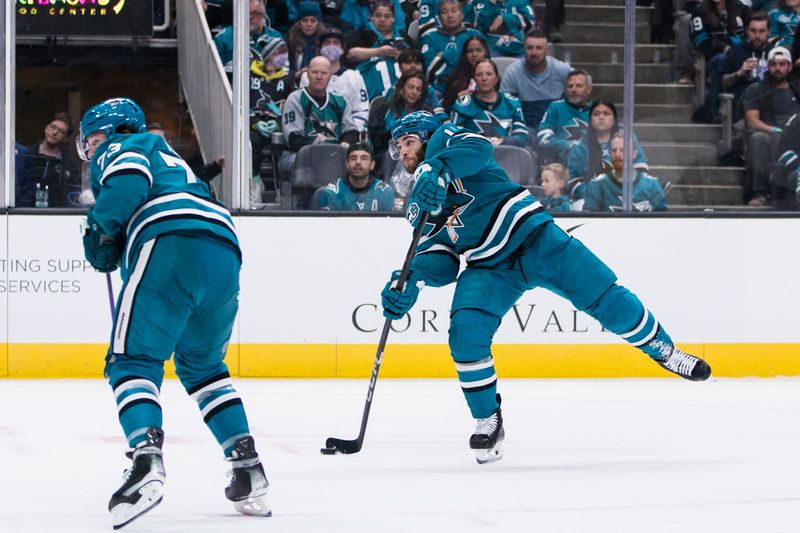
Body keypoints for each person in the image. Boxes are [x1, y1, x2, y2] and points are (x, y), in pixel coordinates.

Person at [380, 111, 711, 465]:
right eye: (398, 147)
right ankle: (487, 419)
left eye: (408, 142)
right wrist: (412, 277)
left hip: (537, 238)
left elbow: (479, 149)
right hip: (489, 266)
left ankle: (664, 351)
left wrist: (438, 167)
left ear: (428, 137)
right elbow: (443, 258)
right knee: (465, 334)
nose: (402, 153)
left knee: (606, 298)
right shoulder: (418, 204)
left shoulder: (448, 138)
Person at [76, 98, 270, 527]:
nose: (89, 149)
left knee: (132, 361)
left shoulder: (125, 144)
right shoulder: (171, 157)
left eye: (89, 138)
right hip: (223, 247)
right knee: (204, 369)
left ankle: (145, 461)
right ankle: (247, 467)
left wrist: (101, 228)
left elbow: (127, 185)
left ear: (106, 131)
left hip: (170, 239)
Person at [279, 56, 360, 179]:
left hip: (335, 157)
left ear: (330, 76)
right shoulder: (295, 98)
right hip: (302, 156)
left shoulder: (340, 101)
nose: (319, 76)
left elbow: (352, 132)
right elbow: (293, 139)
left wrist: (342, 147)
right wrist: (322, 153)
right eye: (314, 72)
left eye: (323, 73)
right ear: (307, 74)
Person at [741, 46, 800, 205]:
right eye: (773, 64)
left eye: (782, 64)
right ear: (768, 66)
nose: (777, 68)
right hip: (771, 133)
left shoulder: (797, 89)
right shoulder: (756, 89)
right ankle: (760, 192)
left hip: (796, 136)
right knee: (758, 139)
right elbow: (752, 120)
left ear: (789, 67)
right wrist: (776, 130)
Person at [688, 0, 750, 122]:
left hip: (741, 56)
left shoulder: (742, 9)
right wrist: (724, 48)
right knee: (721, 60)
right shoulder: (700, 11)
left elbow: (751, 34)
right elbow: (700, 41)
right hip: (712, 59)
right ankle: (714, 109)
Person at [499, 30, 572, 130]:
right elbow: (505, 109)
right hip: (526, 127)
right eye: (529, 48)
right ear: (524, 49)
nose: (534, 53)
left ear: (547, 50)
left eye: (539, 48)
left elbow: (584, 84)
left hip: (556, 127)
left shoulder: (562, 70)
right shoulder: (512, 73)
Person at [300, 28, 370, 132]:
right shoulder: (307, 76)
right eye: (327, 43)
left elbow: (361, 110)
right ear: (320, 48)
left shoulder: (355, 77)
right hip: (315, 134)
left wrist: (351, 133)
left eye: (336, 43)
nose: (331, 46)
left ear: (342, 49)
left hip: (349, 134)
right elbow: (304, 108)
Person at [567, 99, 648, 187]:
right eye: (596, 114)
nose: (601, 117)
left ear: (614, 118)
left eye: (606, 113)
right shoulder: (580, 146)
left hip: (624, 195)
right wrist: (596, 193)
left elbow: (641, 170)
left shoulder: (628, 139)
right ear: (590, 119)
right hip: (590, 198)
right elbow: (573, 182)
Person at [449, 59, 528, 147]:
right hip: (474, 156)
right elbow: (455, 138)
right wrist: (484, 142)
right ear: (474, 79)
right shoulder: (462, 104)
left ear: (497, 78)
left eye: (489, 74)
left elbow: (522, 138)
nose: (484, 78)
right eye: (479, 75)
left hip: (508, 155)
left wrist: (502, 141)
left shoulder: (512, 103)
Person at [582, 132, 668, 212]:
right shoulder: (597, 184)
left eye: (623, 150)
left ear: (634, 154)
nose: (617, 155)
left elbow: (664, 223)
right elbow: (588, 223)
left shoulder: (652, 185)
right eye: (614, 150)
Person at [344, 0, 412, 100]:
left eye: (387, 16)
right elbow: (350, 54)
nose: (382, 20)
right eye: (378, 15)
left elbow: (417, 60)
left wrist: (402, 57)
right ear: (371, 18)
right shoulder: (363, 34)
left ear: (393, 19)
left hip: (401, 94)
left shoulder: (402, 38)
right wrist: (378, 51)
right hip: (369, 93)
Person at [718, 12, 773, 122]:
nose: (757, 36)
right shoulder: (735, 50)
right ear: (747, 30)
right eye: (753, 31)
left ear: (769, 32)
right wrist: (740, 72)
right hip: (741, 99)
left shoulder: (774, 52)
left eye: (762, 31)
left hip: (768, 98)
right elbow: (722, 82)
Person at [419, 0, 483, 95]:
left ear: (461, 15)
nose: (450, 15)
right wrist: (465, 54)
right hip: (440, 89)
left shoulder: (474, 35)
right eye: (444, 12)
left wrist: (444, 56)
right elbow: (430, 70)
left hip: (472, 87)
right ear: (439, 18)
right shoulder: (430, 38)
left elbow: (483, 64)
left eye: (453, 11)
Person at [369, 69, 435, 160]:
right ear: (402, 87)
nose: (414, 92)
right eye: (411, 87)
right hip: (387, 158)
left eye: (418, 89)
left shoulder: (427, 114)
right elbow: (376, 141)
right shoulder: (385, 107)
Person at [24, 111, 80, 208]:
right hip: (21, 214)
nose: (54, 133)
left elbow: (72, 196)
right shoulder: (27, 155)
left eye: (61, 131)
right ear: (46, 128)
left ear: (65, 138)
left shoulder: (68, 166)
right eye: (53, 127)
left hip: (55, 216)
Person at [536, 69, 593, 164]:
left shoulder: (598, 111)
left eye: (579, 86)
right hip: (558, 165)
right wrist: (569, 146)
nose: (574, 89)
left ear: (589, 89)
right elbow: (543, 138)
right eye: (570, 86)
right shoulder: (555, 107)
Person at [318, 143, 396, 210]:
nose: (358, 162)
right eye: (353, 158)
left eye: (364, 158)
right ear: (347, 164)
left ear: (372, 165)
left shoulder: (384, 192)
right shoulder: (332, 192)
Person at [214, 0, 283, 73]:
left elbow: (282, 71)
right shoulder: (222, 38)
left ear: (263, 15)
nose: (250, 17)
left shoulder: (275, 37)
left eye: (255, 13)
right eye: (245, 12)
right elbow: (215, 73)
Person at [463, 0, 534, 57]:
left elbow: (530, 21)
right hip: (491, 47)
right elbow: (479, 25)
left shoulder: (521, 2)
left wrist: (504, 18)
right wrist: (491, 4)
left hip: (519, 48)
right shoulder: (477, 2)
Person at [440, 35, 490, 113]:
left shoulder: (494, 78)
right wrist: (458, 100)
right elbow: (446, 110)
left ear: (486, 52)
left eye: (478, 50)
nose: (474, 54)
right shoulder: (455, 80)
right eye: (470, 51)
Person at [287, 1, 327, 81]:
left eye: (313, 20)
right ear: (299, 22)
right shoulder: (290, 40)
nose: (309, 24)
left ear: (318, 22)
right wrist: (295, 75)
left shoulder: (325, 40)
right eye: (305, 20)